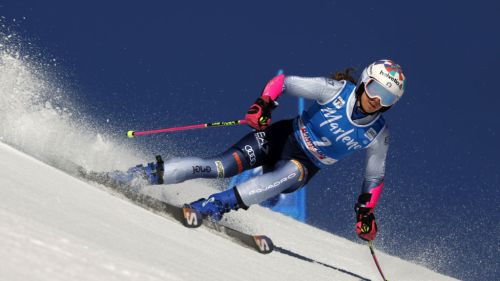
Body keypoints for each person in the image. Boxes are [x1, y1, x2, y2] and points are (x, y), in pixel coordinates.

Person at [133, 59, 406, 241]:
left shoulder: (377, 134)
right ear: (364, 81)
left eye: (387, 97)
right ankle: (144, 174)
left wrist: (366, 212)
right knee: (221, 167)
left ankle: (214, 205)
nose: (376, 100)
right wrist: (264, 104)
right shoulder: (335, 91)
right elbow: (285, 83)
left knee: (290, 172)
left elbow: (374, 176)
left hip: (305, 164)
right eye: (375, 89)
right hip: (281, 137)